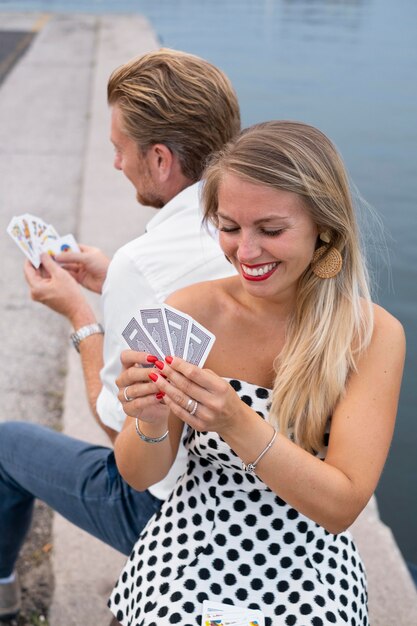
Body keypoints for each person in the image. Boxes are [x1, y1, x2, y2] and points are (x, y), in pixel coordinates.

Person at [108, 121, 405, 626]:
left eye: (270, 230)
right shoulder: (189, 311)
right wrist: (150, 420)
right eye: (229, 227)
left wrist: (236, 422)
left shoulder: (371, 334)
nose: (245, 253)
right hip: (189, 543)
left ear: (325, 230)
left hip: (311, 558)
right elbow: (139, 475)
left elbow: (339, 508)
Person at [0, 48, 240, 621]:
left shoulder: (148, 261)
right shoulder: (251, 235)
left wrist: (80, 317)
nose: (115, 165)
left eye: (119, 149)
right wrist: (112, 279)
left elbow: (121, 433)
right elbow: (205, 311)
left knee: (6, 443)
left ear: (159, 159)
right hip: (264, 497)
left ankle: (4, 593)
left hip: (177, 517)